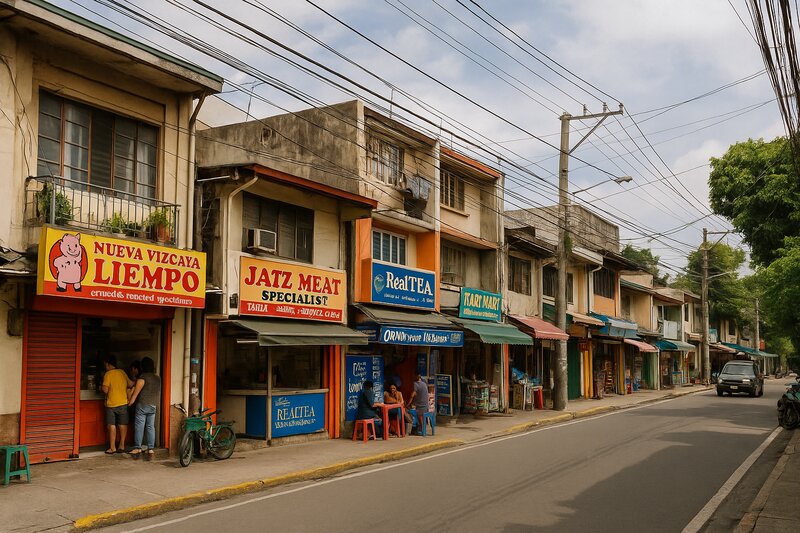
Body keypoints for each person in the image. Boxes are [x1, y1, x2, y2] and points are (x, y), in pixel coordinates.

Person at [128, 357, 161, 459]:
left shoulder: (142, 378)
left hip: (142, 405)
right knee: (151, 426)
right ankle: (150, 449)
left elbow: (135, 394)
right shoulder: (157, 378)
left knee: (139, 426)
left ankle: (138, 447)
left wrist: (130, 403)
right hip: (153, 405)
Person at [101, 354, 132, 454]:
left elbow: (105, 390)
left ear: (108, 364)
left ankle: (112, 448)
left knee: (112, 425)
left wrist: (101, 387)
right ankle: (122, 445)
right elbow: (131, 384)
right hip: (123, 402)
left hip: (111, 404)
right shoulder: (122, 372)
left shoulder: (108, 374)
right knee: (123, 424)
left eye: (105, 364)